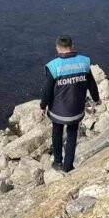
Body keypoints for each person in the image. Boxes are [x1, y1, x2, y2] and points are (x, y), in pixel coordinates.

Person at [40, 35, 100, 173]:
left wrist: (43, 105)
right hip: (76, 110)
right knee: (72, 134)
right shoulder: (84, 62)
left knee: (57, 132)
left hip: (58, 111)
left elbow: (47, 89)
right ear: (72, 46)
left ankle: (57, 162)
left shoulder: (53, 66)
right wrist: (96, 99)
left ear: (57, 48)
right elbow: (92, 84)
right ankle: (68, 166)